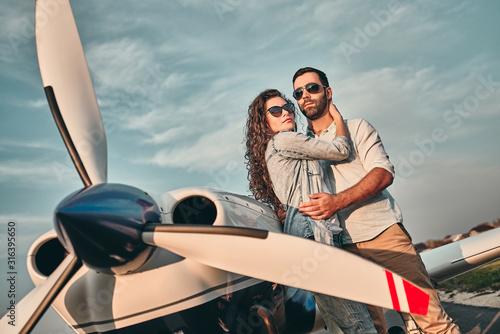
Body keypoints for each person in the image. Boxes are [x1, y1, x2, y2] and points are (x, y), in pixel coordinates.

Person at [292, 67, 461, 334]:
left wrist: (336, 201)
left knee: (432, 321)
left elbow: (383, 173)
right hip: (341, 250)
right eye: (298, 93)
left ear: (328, 92)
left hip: (384, 236)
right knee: (370, 330)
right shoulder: (301, 149)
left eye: (312, 88)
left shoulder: (358, 127)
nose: (305, 96)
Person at [244, 88, 377, 333]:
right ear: (264, 121)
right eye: (275, 110)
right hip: (313, 235)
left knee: (339, 324)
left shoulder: (277, 148)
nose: (285, 113)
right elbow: (340, 150)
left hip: (306, 236)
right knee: (359, 325)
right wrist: (337, 118)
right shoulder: (283, 140)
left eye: (288, 108)